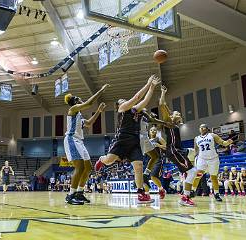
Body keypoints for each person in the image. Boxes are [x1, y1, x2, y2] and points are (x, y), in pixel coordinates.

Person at [95, 75, 161, 204]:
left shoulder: (135, 110)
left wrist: (152, 88)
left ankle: (141, 193)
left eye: (124, 100)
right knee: (108, 161)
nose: (123, 100)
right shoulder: (122, 109)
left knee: (138, 166)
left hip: (134, 141)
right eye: (121, 100)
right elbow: (137, 97)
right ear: (118, 106)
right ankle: (101, 159)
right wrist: (148, 84)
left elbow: (145, 100)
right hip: (122, 140)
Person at [64, 84, 109, 205]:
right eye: (79, 99)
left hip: (79, 142)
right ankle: (70, 195)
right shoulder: (72, 110)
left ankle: (79, 192)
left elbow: (89, 123)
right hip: (72, 140)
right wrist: (100, 90)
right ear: (76, 102)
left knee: (88, 168)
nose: (81, 100)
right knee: (80, 168)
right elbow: (89, 103)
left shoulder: (79, 116)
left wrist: (99, 111)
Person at [157, 85, 198, 206]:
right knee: (192, 171)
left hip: (178, 150)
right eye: (177, 113)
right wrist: (163, 92)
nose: (179, 114)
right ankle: (185, 197)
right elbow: (161, 104)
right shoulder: (168, 121)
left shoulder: (174, 124)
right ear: (171, 116)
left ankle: (186, 195)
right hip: (174, 150)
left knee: (192, 172)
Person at [192, 124, 233, 202]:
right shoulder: (196, 138)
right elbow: (196, 150)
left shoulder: (212, 135)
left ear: (207, 129)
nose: (201, 128)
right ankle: (193, 191)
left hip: (213, 159)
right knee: (198, 175)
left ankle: (216, 194)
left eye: (203, 127)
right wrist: (195, 159)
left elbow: (223, 143)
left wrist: (228, 142)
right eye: (200, 127)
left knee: (213, 177)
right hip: (202, 159)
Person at [141, 113, 169, 199]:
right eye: (151, 130)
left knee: (153, 176)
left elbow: (167, 147)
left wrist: (159, 145)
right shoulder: (147, 141)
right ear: (149, 132)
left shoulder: (159, 139)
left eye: (154, 130)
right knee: (144, 178)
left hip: (158, 159)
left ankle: (161, 189)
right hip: (148, 160)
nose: (153, 131)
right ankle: (147, 194)